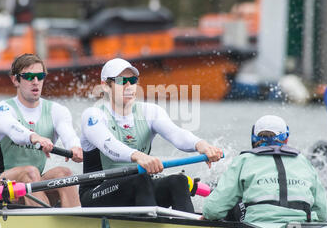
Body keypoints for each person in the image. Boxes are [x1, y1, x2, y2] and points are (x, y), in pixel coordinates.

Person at [79, 57, 223, 213]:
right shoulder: (93, 115)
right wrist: (139, 156)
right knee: (141, 179)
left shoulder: (150, 111)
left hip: (139, 187)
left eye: (133, 80)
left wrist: (201, 145)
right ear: (106, 86)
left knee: (178, 181)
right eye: (122, 81)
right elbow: (108, 146)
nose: (129, 86)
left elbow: (177, 134)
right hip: (96, 192)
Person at [0, 54, 83, 208]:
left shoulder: (56, 111)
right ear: (15, 80)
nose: (36, 82)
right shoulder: (1, 110)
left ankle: (77, 224)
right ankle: (45, 227)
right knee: (30, 172)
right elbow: (13, 129)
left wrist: (75, 147)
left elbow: (69, 134)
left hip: (32, 184)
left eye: (40, 76)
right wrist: (34, 137)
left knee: (64, 174)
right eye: (29, 76)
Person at [202, 115, 327, 223]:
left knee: (234, 199)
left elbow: (213, 210)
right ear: (286, 138)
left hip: (257, 224)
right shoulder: (304, 161)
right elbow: (322, 214)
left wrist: (208, 216)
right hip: (302, 226)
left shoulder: (244, 160)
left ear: (254, 137)